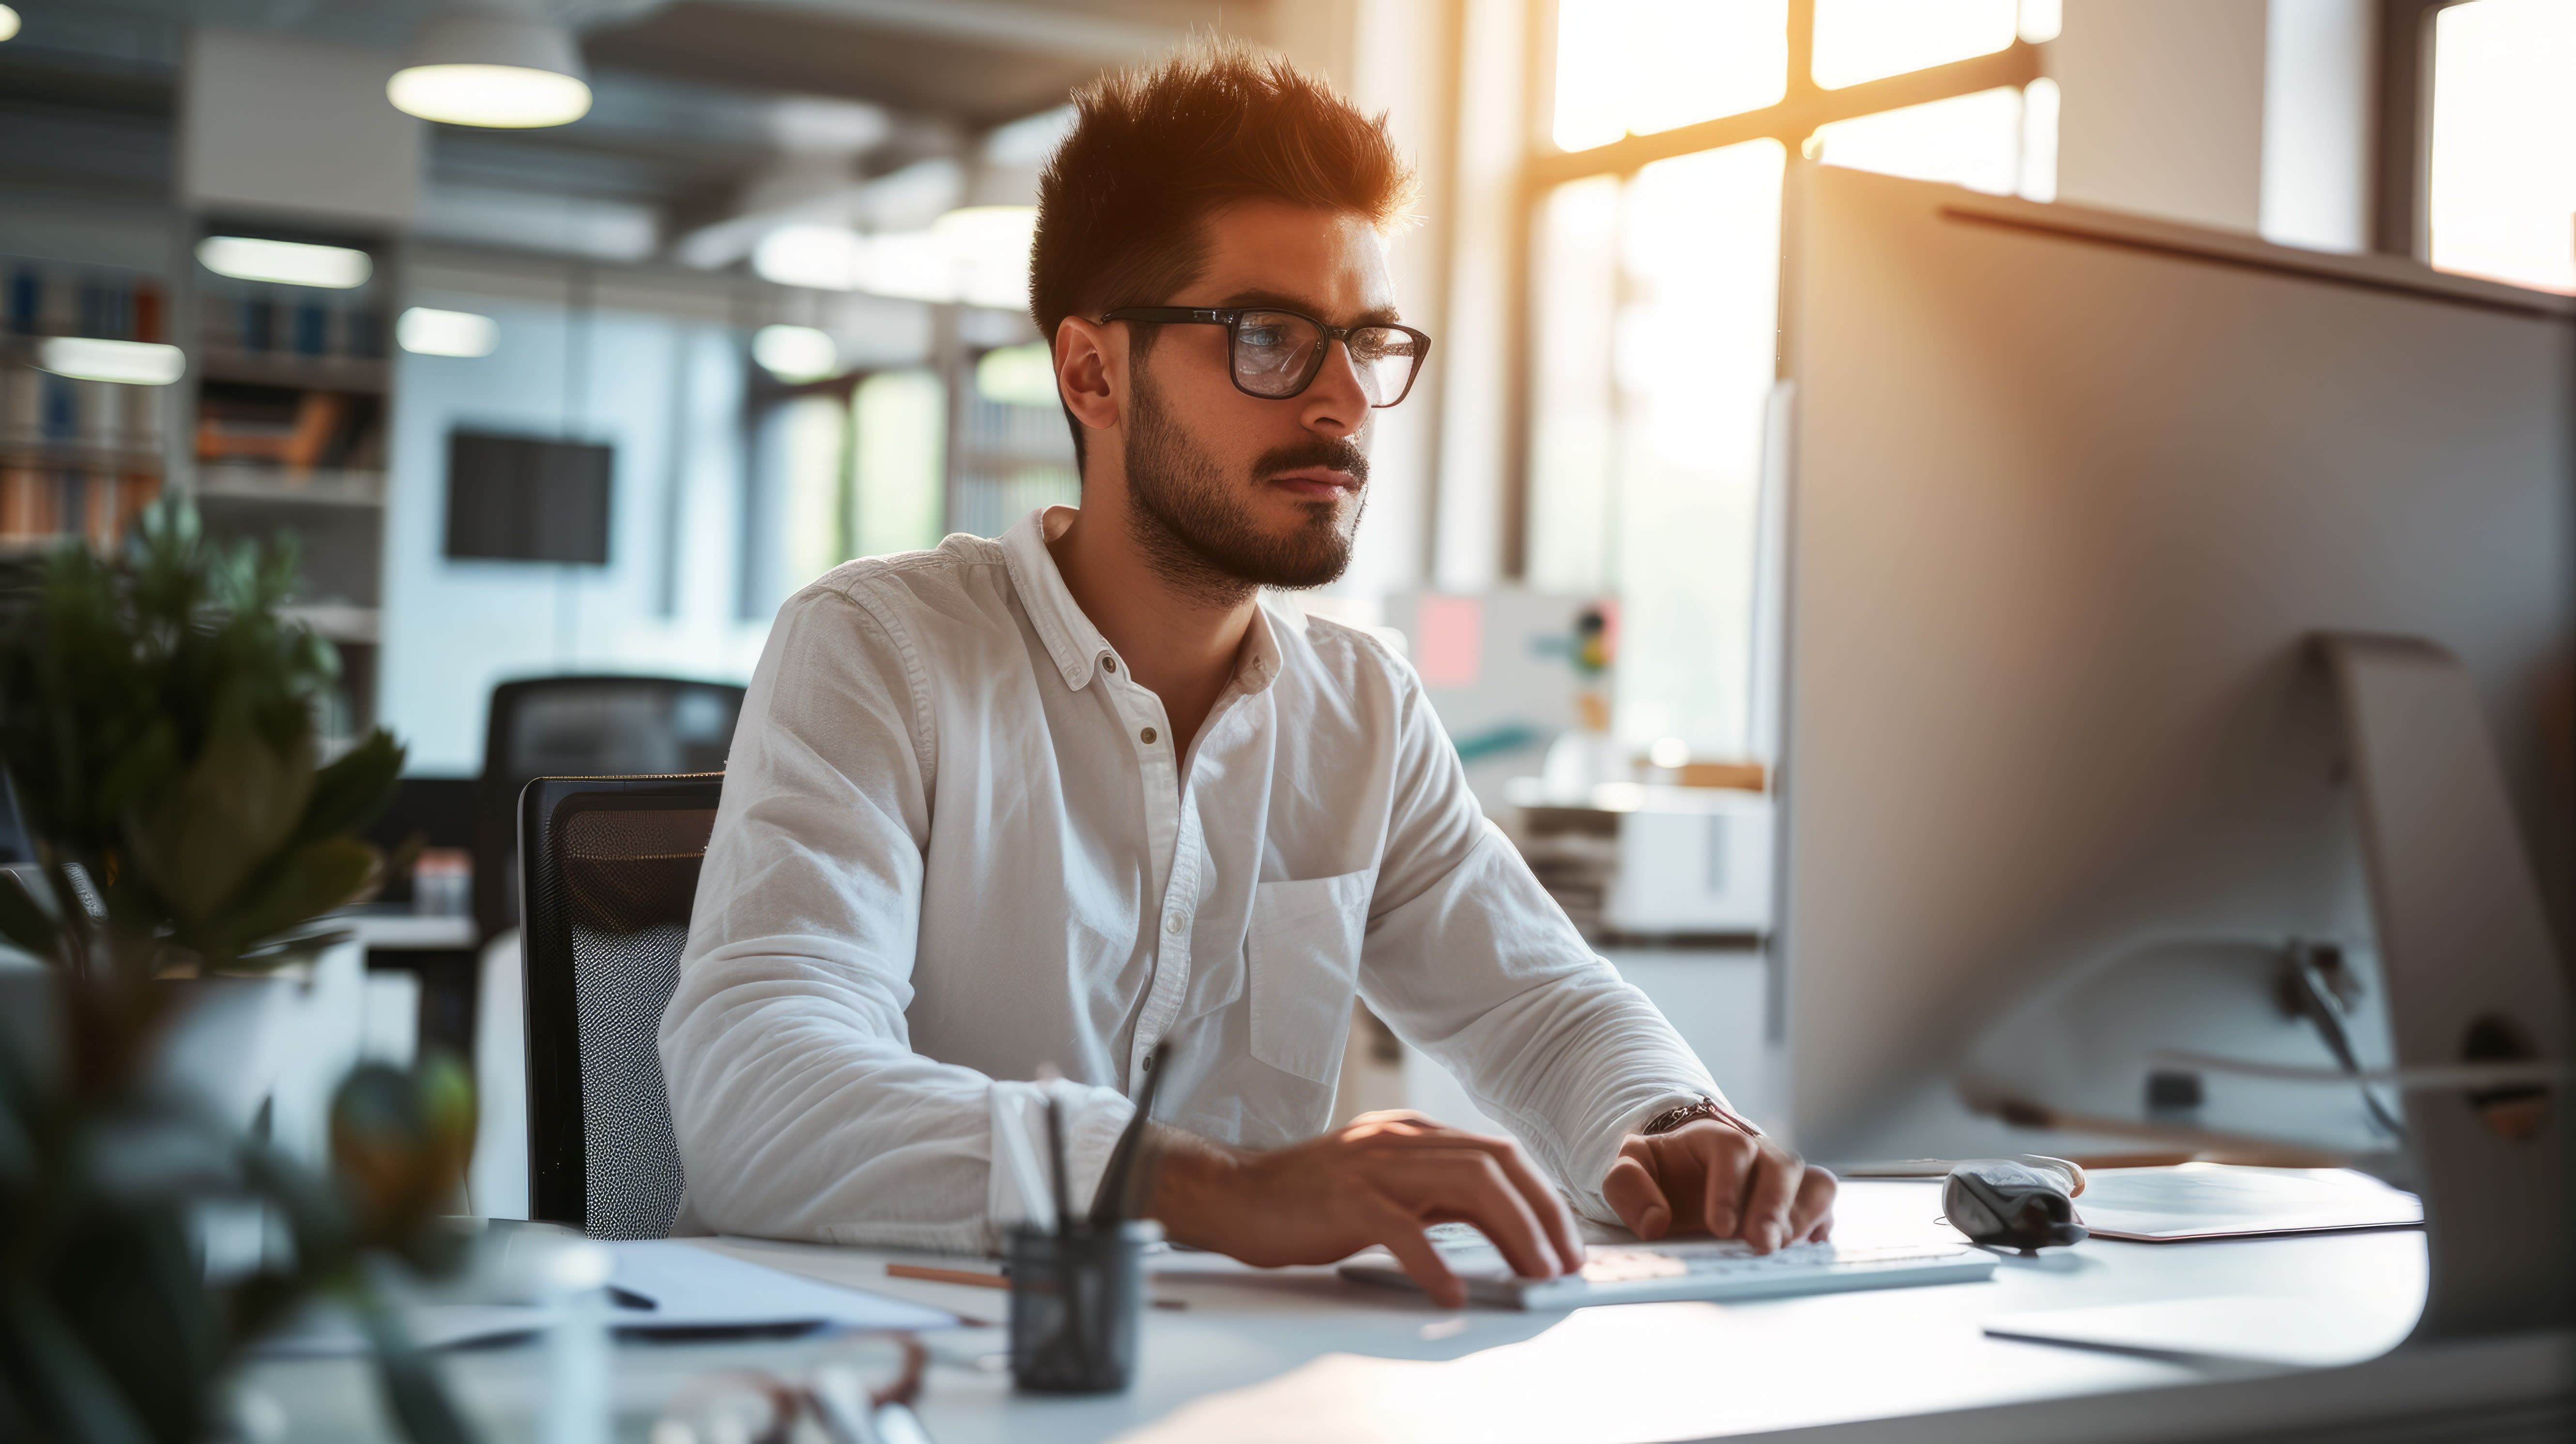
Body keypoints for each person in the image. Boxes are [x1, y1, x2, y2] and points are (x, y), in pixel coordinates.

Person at [661, 41, 1834, 1306]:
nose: (1341, 399)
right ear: (1092, 372)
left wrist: (1668, 1128)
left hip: (1229, 1391)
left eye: (1365, 339)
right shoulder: (880, 650)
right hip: (892, 1385)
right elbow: (755, 1087)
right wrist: (1209, 1191)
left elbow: (1540, 1011)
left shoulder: (1363, 711)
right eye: (1270, 336)